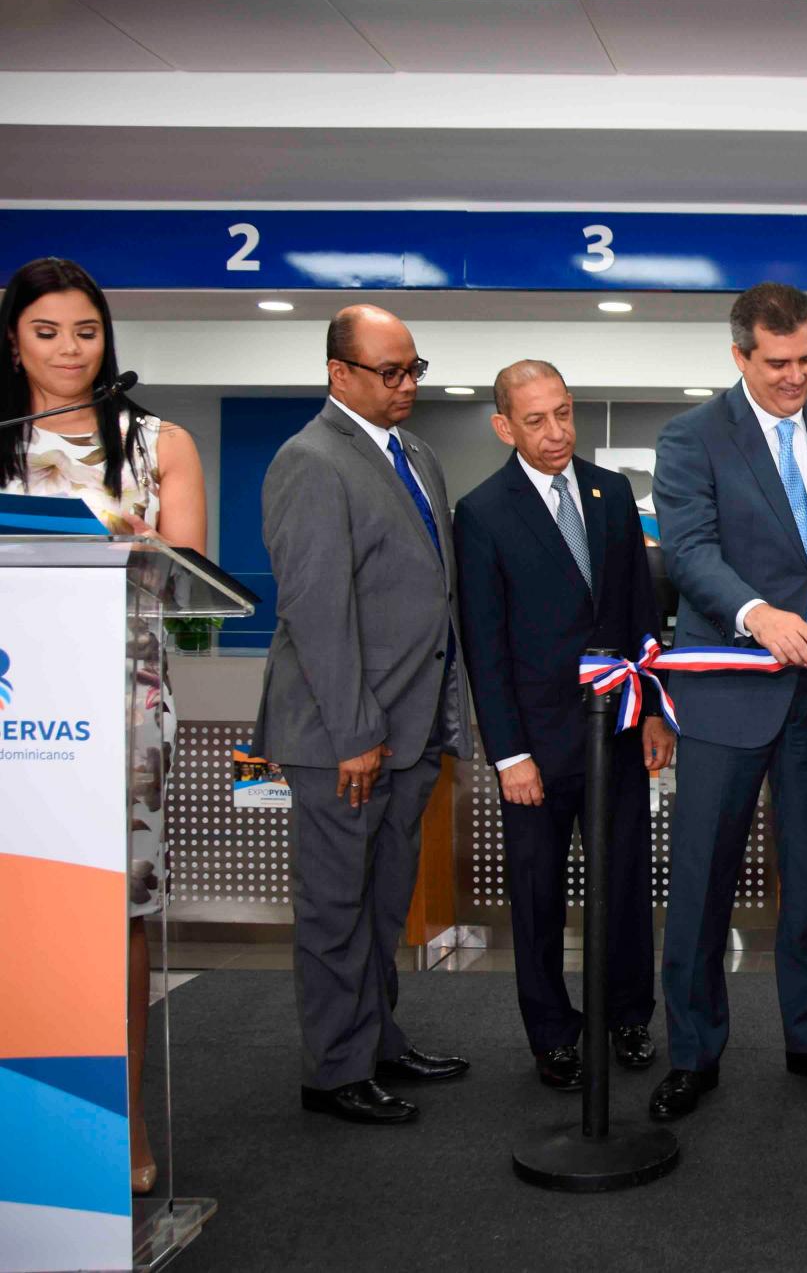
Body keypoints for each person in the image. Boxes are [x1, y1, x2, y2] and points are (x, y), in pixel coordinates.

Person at [649, 283, 807, 1120]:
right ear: (740, 357)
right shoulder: (691, 437)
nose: (797, 377)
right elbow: (686, 551)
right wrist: (757, 615)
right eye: (780, 363)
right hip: (725, 695)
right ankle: (692, 1053)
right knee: (701, 884)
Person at [1, 256, 206, 1192]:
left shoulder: (158, 443)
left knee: (114, 915)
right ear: (13, 340)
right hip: (15, 701)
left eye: (85, 330)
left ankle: (113, 1128)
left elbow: (196, 602)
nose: (69, 349)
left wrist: (137, 553)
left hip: (121, 711)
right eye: (47, 332)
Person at [254, 305, 473, 1126]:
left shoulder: (416, 455)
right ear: (338, 372)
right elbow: (318, 611)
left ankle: (378, 1039)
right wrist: (356, 734)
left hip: (409, 733)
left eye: (414, 367)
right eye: (391, 371)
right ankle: (334, 1069)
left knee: (383, 904)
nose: (408, 384)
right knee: (336, 909)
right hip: (344, 737)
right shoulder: (309, 460)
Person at [454, 361, 676, 1090]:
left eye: (564, 413)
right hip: (536, 749)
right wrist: (508, 753)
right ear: (504, 426)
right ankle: (552, 1033)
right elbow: (483, 643)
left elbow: (641, 613)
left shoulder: (613, 494)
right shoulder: (482, 512)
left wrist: (653, 711)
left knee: (625, 884)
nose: (555, 433)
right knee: (539, 891)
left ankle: (628, 1017)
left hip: (616, 731)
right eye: (536, 420)